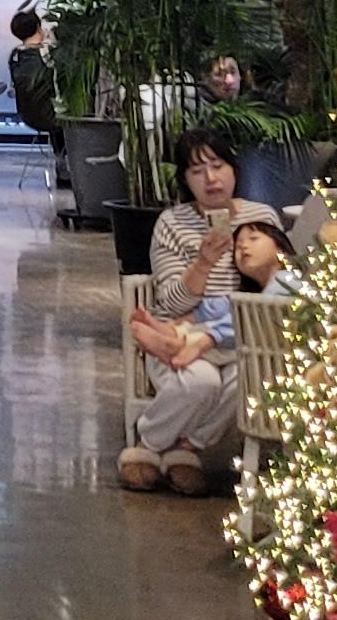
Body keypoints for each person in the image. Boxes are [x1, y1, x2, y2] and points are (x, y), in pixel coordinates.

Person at [121, 131, 285, 498]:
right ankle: (149, 445)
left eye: (218, 166)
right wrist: (204, 262)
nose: (211, 179)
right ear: (185, 179)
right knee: (202, 381)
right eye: (197, 171)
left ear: (233, 170)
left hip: (241, 335)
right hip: (186, 327)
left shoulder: (261, 217)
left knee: (249, 379)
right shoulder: (172, 224)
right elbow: (171, 303)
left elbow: (274, 280)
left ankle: (186, 449)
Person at [6, 7, 61, 144]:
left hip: (27, 113)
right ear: (38, 27)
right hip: (50, 113)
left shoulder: (15, 56)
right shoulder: (46, 55)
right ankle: (64, 154)